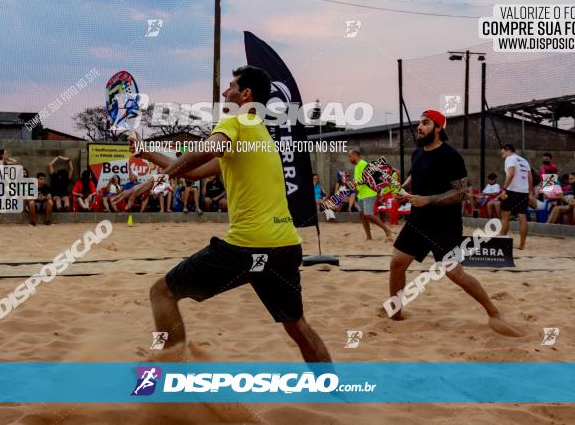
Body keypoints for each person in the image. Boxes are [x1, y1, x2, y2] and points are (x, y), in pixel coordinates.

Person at [112, 65, 331, 362]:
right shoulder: (259, 134)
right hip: (284, 246)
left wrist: (154, 180)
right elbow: (193, 173)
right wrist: (146, 153)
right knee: (298, 326)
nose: (225, 92)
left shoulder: (237, 122)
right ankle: (331, 392)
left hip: (247, 246)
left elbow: (205, 150)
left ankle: (172, 370)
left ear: (245, 95)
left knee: (161, 293)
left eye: (230, 87)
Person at [387, 110, 520, 336]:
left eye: (425, 123)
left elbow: (461, 194)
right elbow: (414, 176)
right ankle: (396, 312)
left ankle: (493, 312)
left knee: (454, 272)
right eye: (419, 123)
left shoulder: (451, 156)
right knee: (397, 264)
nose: (419, 127)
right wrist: (403, 189)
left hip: (444, 222)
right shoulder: (418, 152)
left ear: (438, 128)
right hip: (418, 220)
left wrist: (427, 199)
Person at [348, 149, 393, 241]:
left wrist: (356, 183)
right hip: (361, 194)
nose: (349, 159)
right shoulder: (357, 166)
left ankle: (387, 230)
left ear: (355, 155)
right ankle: (369, 237)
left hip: (369, 192)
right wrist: (354, 184)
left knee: (368, 214)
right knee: (362, 215)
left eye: (350, 156)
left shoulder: (363, 163)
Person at [498, 144, 534, 250]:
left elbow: (511, 173)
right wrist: (530, 191)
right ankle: (522, 245)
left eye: (503, 153)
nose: (502, 156)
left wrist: (504, 189)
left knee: (505, 214)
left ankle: (503, 241)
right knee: (522, 217)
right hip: (523, 191)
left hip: (512, 190)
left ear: (508, 150)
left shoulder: (510, 159)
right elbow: (530, 177)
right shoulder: (524, 161)